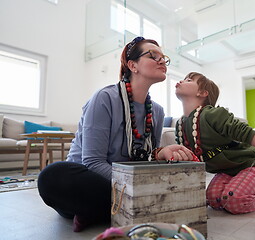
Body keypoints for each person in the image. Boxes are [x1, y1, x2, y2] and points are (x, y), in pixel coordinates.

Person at [37, 37, 193, 232]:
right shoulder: (105, 98)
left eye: (164, 58)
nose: (162, 61)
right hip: (91, 180)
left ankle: (103, 212)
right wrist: (138, 187)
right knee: (51, 177)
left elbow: (146, 159)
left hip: (125, 184)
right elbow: (93, 162)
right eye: (153, 55)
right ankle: (129, 207)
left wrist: (160, 153)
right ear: (132, 65)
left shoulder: (157, 111)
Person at [175, 72, 255, 214]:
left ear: (203, 92)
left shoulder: (212, 114)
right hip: (226, 171)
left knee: (234, 200)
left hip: (248, 165)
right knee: (213, 199)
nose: (182, 81)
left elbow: (248, 133)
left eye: (188, 80)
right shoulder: (180, 125)